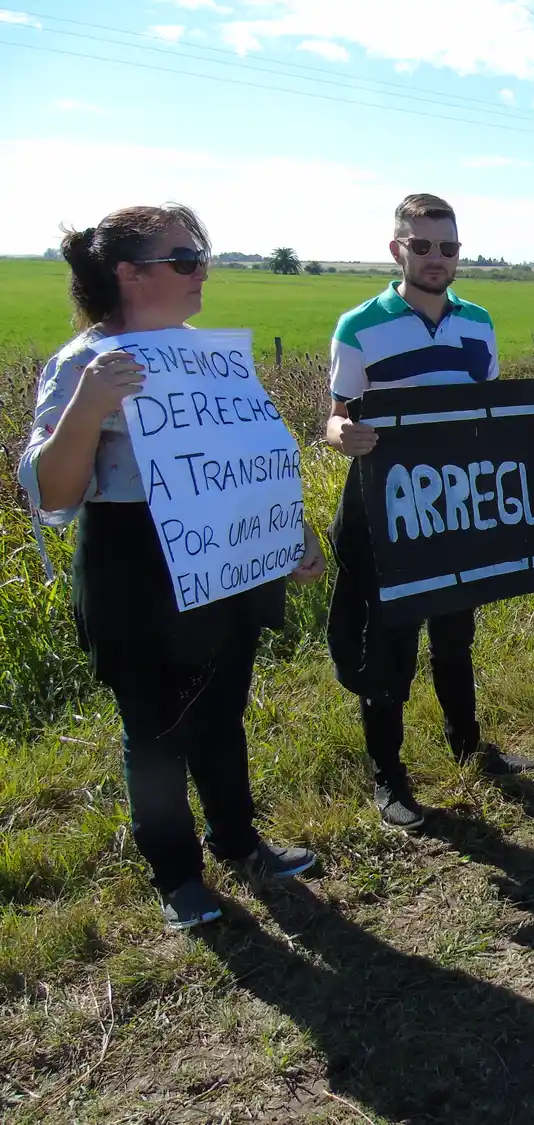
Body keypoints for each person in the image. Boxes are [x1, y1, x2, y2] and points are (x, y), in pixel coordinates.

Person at [20, 204, 325, 930]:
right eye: (185, 259)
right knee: (153, 731)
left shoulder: (208, 354)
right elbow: (53, 494)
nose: (202, 272)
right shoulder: (84, 364)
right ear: (130, 274)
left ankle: (241, 844)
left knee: (222, 713)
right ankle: (176, 875)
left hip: (220, 558)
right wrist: (89, 407)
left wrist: (290, 532)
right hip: (134, 565)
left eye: (201, 256)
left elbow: (254, 459)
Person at [325, 193, 534, 834]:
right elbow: (335, 414)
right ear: (398, 250)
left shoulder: (479, 323)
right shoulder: (358, 327)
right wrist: (341, 434)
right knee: (387, 647)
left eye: (448, 247)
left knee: (455, 635)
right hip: (384, 512)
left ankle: (467, 744)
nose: (437, 258)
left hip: (457, 509)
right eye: (423, 246)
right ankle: (390, 779)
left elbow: (488, 415)